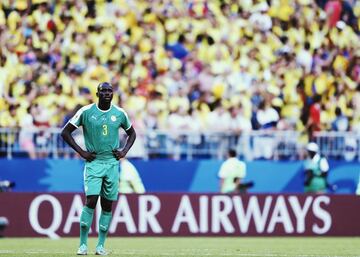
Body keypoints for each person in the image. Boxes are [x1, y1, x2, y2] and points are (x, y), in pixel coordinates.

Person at [61, 82, 136, 256]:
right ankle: (82, 245)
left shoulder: (119, 113)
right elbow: (65, 132)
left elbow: (132, 133)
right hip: (94, 163)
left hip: (112, 164)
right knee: (92, 201)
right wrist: (81, 152)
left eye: (110, 91)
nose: (107, 93)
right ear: (97, 93)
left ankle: (100, 246)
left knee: (107, 204)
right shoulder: (86, 112)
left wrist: (124, 151)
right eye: (103, 91)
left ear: (113, 94)